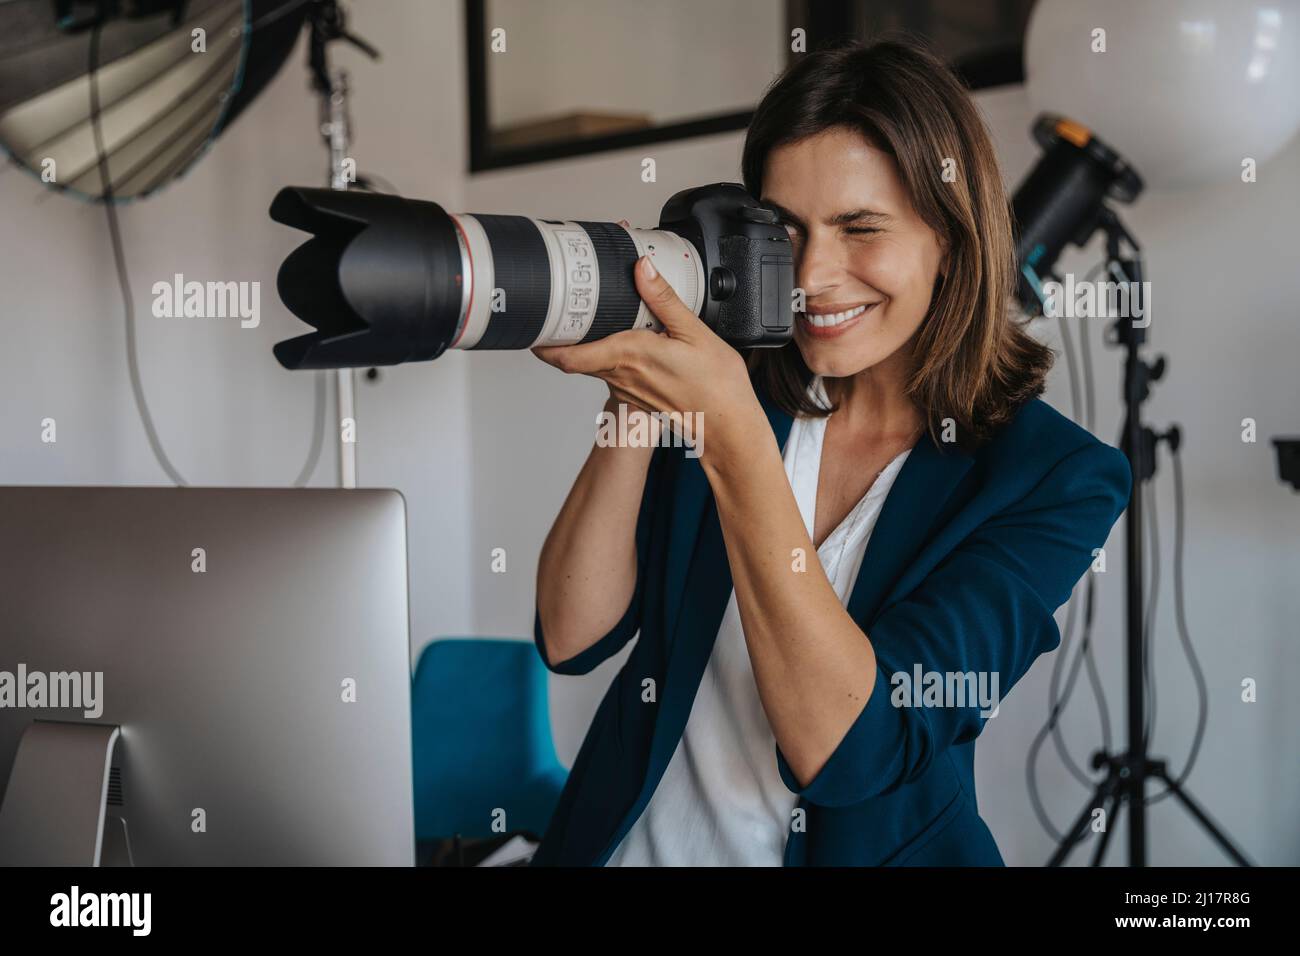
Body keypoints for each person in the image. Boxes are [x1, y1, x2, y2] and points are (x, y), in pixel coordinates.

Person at [529, 36, 1131, 866]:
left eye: (860, 228)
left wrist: (734, 439)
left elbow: (849, 749)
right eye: (786, 230)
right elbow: (573, 636)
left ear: (949, 242)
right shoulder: (737, 379)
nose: (812, 274)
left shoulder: (1055, 480)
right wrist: (632, 392)